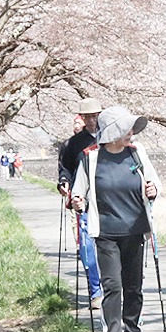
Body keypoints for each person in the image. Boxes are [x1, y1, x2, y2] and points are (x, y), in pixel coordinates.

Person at [70, 105, 160, 332]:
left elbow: (154, 184)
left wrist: (152, 190)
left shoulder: (138, 153)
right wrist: (77, 201)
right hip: (106, 232)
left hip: (135, 229)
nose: (131, 132)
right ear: (114, 132)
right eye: (127, 128)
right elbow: (79, 191)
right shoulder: (90, 158)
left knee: (134, 286)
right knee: (113, 286)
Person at [59, 99, 104, 309]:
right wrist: (64, 182)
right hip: (83, 199)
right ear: (82, 118)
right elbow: (65, 168)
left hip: (108, 200)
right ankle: (96, 291)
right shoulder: (73, 143)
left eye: (95, 115)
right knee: (86, 246)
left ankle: (113, 288)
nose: (92, 120)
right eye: (87, 116)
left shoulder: (111, 137)